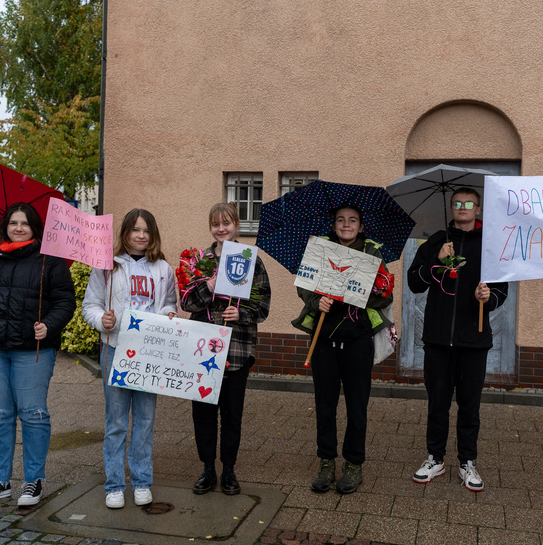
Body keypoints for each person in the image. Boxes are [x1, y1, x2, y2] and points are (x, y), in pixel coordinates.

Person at [0, 203, 75, 507]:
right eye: (13, 223)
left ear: (35, 227)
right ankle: (0, 481)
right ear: (5, 226)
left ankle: (33, 481)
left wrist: (48, 325)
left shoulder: (50, 261)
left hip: (30, 351)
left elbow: (65, 302)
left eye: (25, 223)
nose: (18, 228)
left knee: (33, 414)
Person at [406, 188, 508, 491]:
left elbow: (502, 289)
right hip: (437, 338)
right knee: (437, 402)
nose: (462, 208)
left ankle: (467, 461)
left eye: (468, 204)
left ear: (478, 209)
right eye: (457, 203)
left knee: (469, 405)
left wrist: (487, 298)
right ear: (451, 208)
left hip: (473, 339)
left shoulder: (490, 244)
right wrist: (436, 262)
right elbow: (414, 283)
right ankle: (435, 458)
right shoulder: (437, 242)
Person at [292, 205, 394, 494]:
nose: (346, 225)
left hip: (358, 340)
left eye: (352, 220)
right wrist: (317, 303)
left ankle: (353, 464)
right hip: (323, 340)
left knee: (356, 404)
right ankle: (326, 461)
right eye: (340, 220)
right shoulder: (320, 249)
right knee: (325, 403)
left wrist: (358, 296)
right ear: (333, 224)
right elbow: (305, 285)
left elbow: (386, 294)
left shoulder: (372, 254)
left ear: (361, 226)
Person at [82, 209, 178, 509]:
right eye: (135, 230)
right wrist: (102, 320)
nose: (141, 235)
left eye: (146, 230)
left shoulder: (164, 269)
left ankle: (141, 481)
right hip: (115, 349)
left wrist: (168, 315)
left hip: (149, 353)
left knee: (146, 420)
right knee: (116, 422)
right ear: (125, 233)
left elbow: (168, 304)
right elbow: (90, 305)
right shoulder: (107, 267)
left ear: (153, 235)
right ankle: (114, 484)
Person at [180, 203, 271, 495]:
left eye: (227, 223)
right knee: (203, 413)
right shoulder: (200, 260)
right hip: (204, 351)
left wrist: (240, 315)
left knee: (232, 414)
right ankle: (208, 468)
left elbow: (263, 305)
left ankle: (229, 470)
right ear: (211, 227)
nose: (221, 228)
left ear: (237, 225)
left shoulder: (251, 260)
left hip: (237, 350)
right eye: (216, 224)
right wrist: (210, 285)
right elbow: (187, 303)